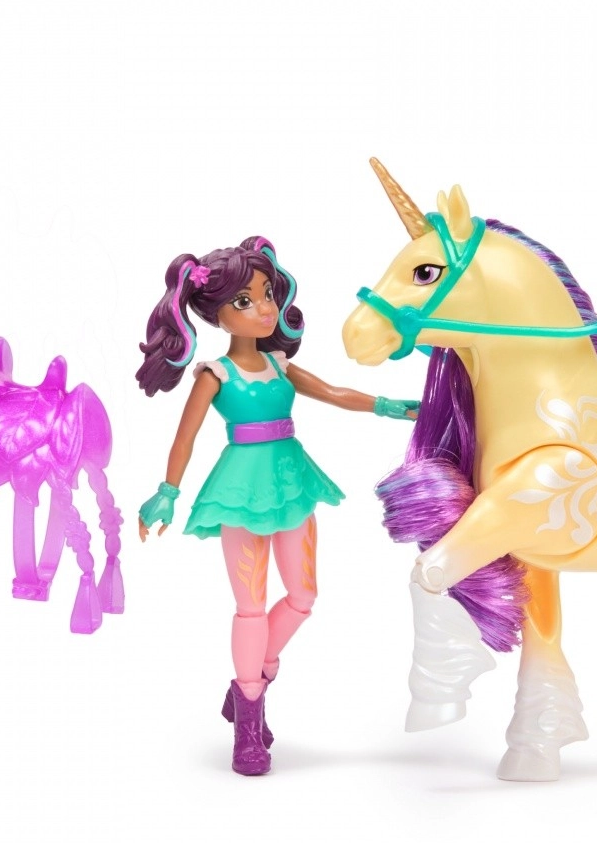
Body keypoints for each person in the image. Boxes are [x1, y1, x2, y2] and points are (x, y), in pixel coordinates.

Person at [136, 236, 416, 775]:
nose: (264, 308)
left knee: (303, 596)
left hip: (292, 481)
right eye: (244, 301)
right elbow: (184, 439)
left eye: (266, 294)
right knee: (251, 605)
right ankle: (249, 719)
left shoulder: (279, 364)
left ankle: (254, 678)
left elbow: (333, 392)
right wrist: (167, 492)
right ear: (215, 314)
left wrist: (387, 406)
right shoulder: (215, 375)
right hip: (240, 488)